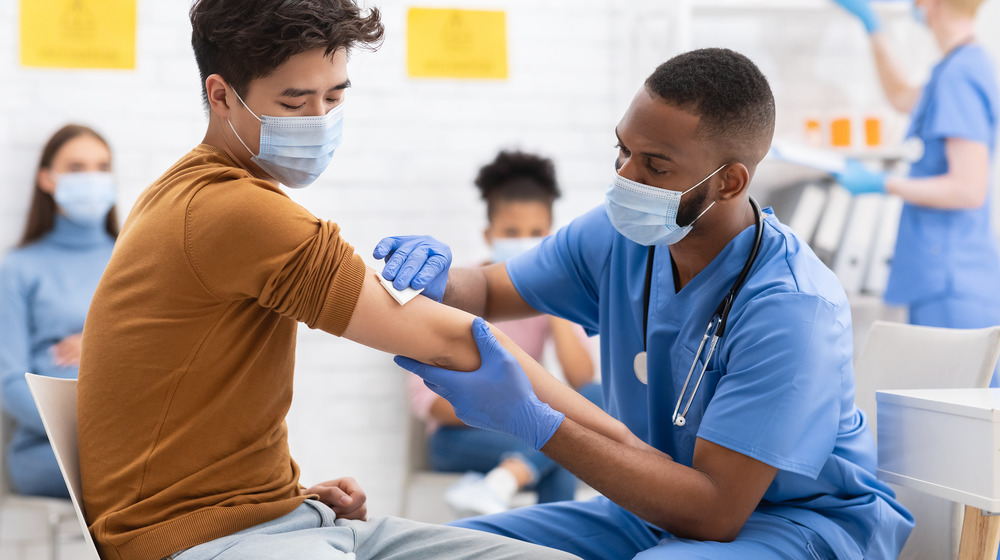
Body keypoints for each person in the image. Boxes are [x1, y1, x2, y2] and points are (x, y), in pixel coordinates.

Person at [75, 2, 630, 559]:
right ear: (221, 96)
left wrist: (282, 497)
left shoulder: (185, 194)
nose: (319, 119)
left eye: (335, 97)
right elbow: (454, 340)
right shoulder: (233, 211)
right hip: (192, 542)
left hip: (280, 519)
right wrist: (633, 456)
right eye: (295, 101)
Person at [386, 48, 914, 559]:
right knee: (447, 550)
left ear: (729, 182)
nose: (625, 177)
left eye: (656, 167)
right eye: (622, 150)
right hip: (653, 514)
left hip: (795, 526)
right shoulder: (618, 238)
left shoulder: (793, 309)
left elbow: (716, 514)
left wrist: (535, 422)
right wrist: (436, 279)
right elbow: (487, 292)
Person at [408, 150, 600, 517]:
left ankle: (503, 482)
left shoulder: (549, 296)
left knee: (595, 401)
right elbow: (429, 405)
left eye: (535, 234)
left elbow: (583, 381)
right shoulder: (452, 291)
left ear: (550, 237)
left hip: (522, 428)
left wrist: (549, 298)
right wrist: (514, 413)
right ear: (488, 234)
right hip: (458, 438)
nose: (523, 242)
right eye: (512, 233)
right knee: (560, 446)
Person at [830, 0, 1000, 373]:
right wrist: (872, 26)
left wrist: (883, 183)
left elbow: (969, 188)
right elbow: (902, 96)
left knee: (955, 415)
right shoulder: (956, 67)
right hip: (945, 274)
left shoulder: (961, 73)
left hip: (952, 280)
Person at [0, 124, 118, 499]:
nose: (92, 179)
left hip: (132, 436)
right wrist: (89, 430)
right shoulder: (19, 268)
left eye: (102, 167)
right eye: (76, 167)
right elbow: (9, 382)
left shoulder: (138, 259)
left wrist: (100, 342)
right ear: (47, 180)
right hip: (46, 449)